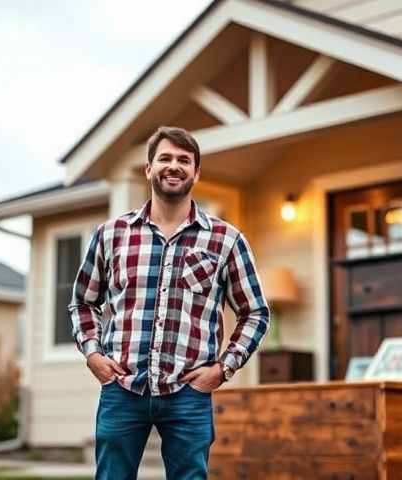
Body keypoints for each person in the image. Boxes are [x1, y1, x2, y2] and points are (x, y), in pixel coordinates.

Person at [69, 126, 270, 479]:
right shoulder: (112, 235)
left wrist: (223, 369)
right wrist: (93, 355)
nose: (173, 166)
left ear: (196, 172)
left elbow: (255, 312)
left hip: (188, 394)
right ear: (149, 169)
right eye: (164, 158)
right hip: (123, 389)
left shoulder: (226, 240)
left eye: (183, 160)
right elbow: (83, 303)